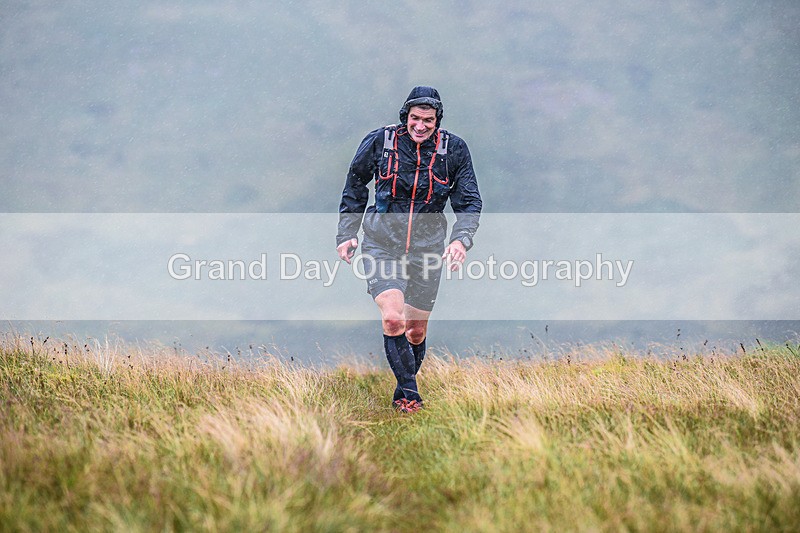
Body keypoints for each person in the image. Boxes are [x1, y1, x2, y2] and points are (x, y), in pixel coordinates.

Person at [336, 86, 482, 413]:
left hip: (427, 250)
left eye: (428, 120)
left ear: (437, 121)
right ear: (406, 116)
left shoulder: (454, 149)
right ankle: (410, 397)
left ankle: (402, 390)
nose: (420, 125)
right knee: (393, 319)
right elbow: (355, 185)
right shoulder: (382, 141)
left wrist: (461, 239)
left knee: (415, 331)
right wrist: (347, 233)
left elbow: (469, 201)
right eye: (415, 118)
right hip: (381, 243)